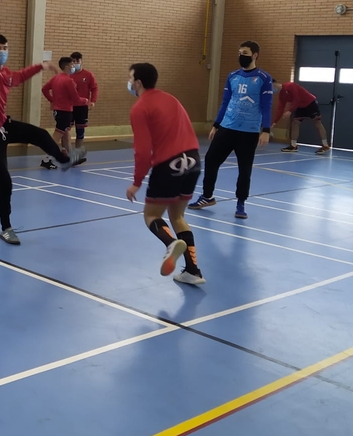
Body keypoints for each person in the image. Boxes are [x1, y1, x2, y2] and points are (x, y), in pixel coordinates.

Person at [0, 0, 86, 245]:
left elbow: (20, 76)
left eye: (5, 48)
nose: (2, 51)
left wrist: (41, 66)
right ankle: (6, 227)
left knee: (40, 134)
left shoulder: (4, 74)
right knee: (5, 182)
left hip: (3, 126)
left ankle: (64, 159)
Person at [125, 63, 205, 285]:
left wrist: (136, 182)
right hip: (193, 160)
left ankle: (171, 244)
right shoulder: (171, 99)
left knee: (151, 215)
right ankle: (193, 271)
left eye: (130, 78)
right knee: (177, 217)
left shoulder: (140, 108)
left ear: (138, 82)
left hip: (169, 164)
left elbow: (142, 151)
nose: (129, 82)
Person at [189, 40, 273, 220]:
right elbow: (225, 102)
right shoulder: (233, 76)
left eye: (245, 53)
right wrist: (216, 125)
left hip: (249, 131)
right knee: (211, 160)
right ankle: (207, 196)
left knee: (245, 168)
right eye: (240, 53)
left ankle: (241, 202)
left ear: (255, 55)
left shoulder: (264, 78)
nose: (241, 56)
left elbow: (267, 106)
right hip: (227, 127)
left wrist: (265, 130)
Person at [40, 57, 89, 170]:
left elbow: (44, 89)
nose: (74, 66)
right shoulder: (68, 80)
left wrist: (52, 100)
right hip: (65, 111)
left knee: (66, 134)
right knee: (57, 136)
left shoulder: (56, 78)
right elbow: (76, 99)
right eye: (72, 64)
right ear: (67, 66)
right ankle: (46, 159)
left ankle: (71, 158)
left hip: (58, 110)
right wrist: (86, 101)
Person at [273, 82, 331, 154]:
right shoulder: (282, 94)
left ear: (274, 84)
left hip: (310, 103)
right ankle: (293, 145)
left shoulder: (290, 85)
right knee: (295, 123)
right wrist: (275, 122)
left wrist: (290, 111)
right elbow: (280, 108)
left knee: (317, 123)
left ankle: (325, 145)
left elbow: (297, 99)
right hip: (300, 106)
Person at [70, 51, 99, 153]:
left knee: (80, 131)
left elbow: (94, 88)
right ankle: (66, 151)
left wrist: (93, 101)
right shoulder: (68, 75)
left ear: (81, 61)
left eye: (77, 61)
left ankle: (78, 152)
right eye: (73, 61)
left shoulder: (88, 75)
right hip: (69, 106)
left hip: (82, 106)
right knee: (65, 130)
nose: (75, 63)